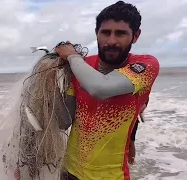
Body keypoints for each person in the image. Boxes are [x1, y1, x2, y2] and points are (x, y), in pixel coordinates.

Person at [55, 1, 160, 180]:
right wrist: (55, 86)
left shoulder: (146, 65)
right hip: (69, 171)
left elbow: (100, 88)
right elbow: (63, 121)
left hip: (111, 176)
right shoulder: (82, 66)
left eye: (120, 34)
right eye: (105, 32)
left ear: (135, 36)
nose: (111, 41)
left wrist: (72, 56)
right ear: (96, 33)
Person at [128, 97, 149, 164]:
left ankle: (131, 164)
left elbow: (141, 108)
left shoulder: (144, 95)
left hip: (132, 120)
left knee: (130, 142)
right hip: (120, 119)